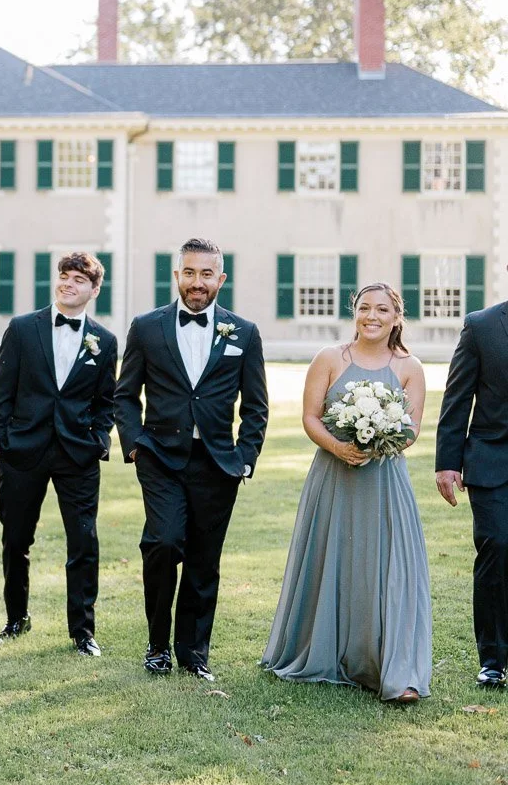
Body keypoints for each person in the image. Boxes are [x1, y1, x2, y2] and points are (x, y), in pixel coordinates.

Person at [262, 283, 431, 703]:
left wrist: (380, 441)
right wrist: (339, 446)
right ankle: (324, 652)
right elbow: (310, 416)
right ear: (354, 312)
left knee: (389, 566)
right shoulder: (329, 359)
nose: (371, 316)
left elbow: (411, 429)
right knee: (332, 558)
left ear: (397, 317)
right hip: (334, 476)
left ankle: (393, 667)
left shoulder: (410, 366)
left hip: (385, 481)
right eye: (364, 308)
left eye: (382, 310)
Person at [114, 237, 268, 681]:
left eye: (206, 274)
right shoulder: (147, 327)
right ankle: (157, 646)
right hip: (160, 457)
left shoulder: (244, 332)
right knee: (162, 544)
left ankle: (193, 654)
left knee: (204, 559)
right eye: (188, 272)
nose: (196, 282)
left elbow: (255, 404)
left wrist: (245, 456)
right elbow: (125, 396)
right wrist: (136, 445)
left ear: (220, 279)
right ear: (176, 275)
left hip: (218, 462)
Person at [0, 252, 117, 656]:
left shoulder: (106, 341)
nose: (68, 283)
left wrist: (98, 439)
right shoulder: (23, 329)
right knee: (16, 539)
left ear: (94, 290)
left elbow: (106, 401)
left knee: (83, 542)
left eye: (79, 279)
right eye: (64, 276)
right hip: (22, 450)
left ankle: (83, 632)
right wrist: (1, 439)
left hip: (78, 454)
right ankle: (16, 617)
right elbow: (1, 388)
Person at [435, 264, 508, 690]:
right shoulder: (481, 326)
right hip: (491, 459)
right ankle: (494, 659)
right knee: (497, 545)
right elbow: (457, 396)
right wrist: (447, 462)